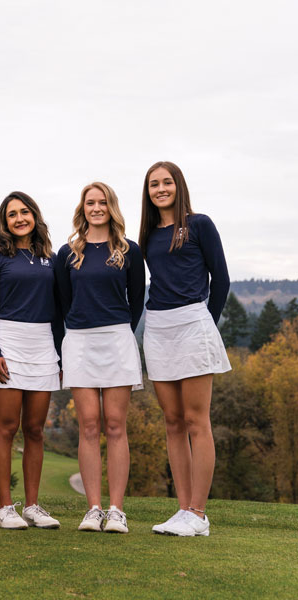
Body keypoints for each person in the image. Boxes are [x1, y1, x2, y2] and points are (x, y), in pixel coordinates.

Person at [139, 161, 230, 537]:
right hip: (157, 328)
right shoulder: (146, 235)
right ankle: (182, 511)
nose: (161, 189)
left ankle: (199, 513)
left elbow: (220, 279)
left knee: (196, 421)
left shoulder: (200, 224)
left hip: (193, 324)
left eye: (166, 182)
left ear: (178, 185)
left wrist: (203, 321)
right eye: (154, 184)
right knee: (173, 423)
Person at [55, 182, 145, 534]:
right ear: (83, 208)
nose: (96, 208)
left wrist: (118, 329)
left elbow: (136, 301)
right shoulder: (69, 252)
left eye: (102, 202)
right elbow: (63, 302)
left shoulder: (128, 250)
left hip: (117, 339)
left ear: (111, 207)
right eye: (90, 202)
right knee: (89, 425)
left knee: (115, 425)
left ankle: (116, 510)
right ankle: (93, 509)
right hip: (78, 341)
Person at [0, 191, 63, 530]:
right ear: (4, 221)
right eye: (12, 214)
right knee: (7, 427)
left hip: (43, 345)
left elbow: (59, 310)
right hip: (9, 343)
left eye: (24, 212)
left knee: (35, 429)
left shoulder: (51, 257)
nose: (19, 219)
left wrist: (61, 354)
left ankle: (32, 505)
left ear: (35, 216)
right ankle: (4, 508)